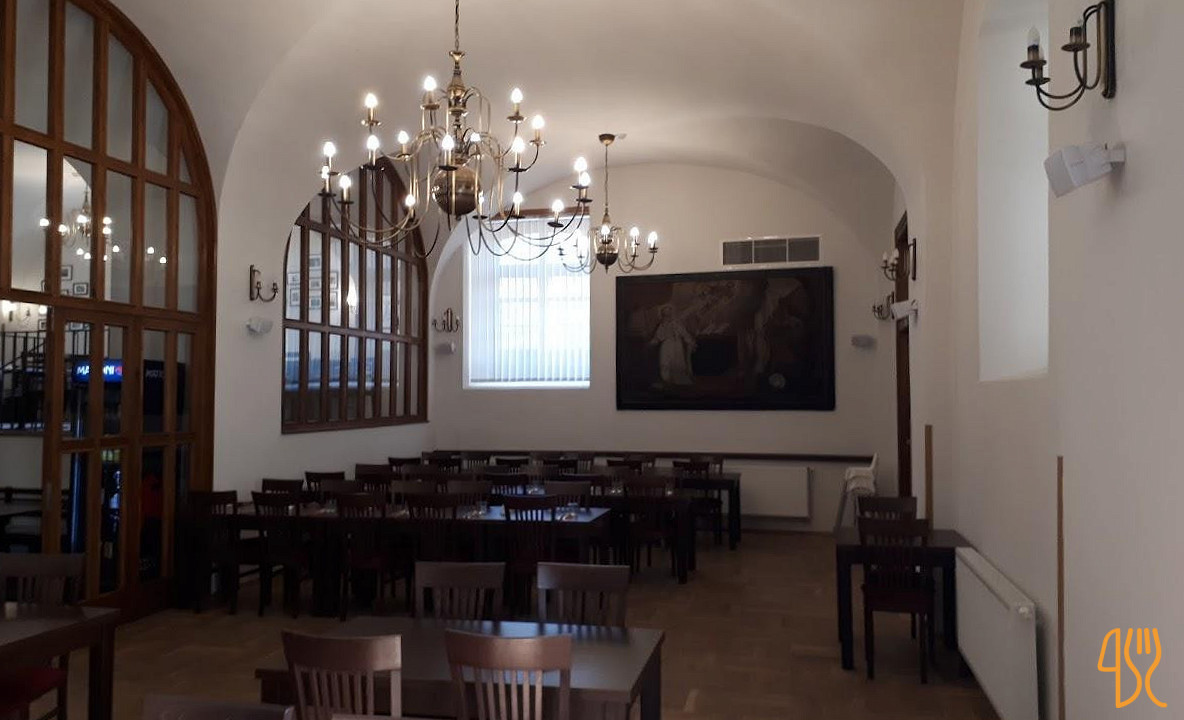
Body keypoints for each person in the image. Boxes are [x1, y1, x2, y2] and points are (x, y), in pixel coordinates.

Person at [651, 305, 696, 385]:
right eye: (665, 315)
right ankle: (666, 380)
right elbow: (657, 337)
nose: (666, 317)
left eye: (668, 314)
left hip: (676, 346)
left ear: (671, 314)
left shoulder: (677, 324)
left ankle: (675, 381)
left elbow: (684, 334)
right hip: (666, 346)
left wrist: (690, 342)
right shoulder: (661, 325)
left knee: (677, 365)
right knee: (664, 364)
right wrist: (651, 343)